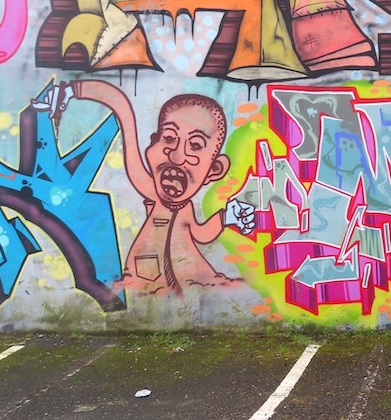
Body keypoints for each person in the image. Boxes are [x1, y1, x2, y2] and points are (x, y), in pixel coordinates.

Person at [35, 81, 255, 295]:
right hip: (146, 276)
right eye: (169, 138)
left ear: (214, 170)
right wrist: (72, 90)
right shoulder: (150, 189)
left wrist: (226, 217)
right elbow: (121, 106)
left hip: (188, 277)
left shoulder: (186, 208)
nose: (177, 156)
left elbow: (202, 234)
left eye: (196, 145)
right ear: (153, 146)